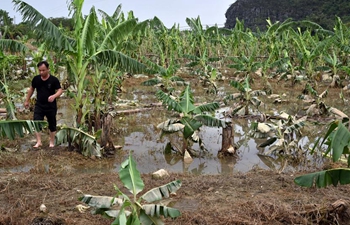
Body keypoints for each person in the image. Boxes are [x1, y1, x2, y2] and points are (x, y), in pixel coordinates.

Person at [24, 60, 63, 148]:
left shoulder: (53, 80)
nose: (41, 72)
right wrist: (27, 100)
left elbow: (60, 90)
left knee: (52, 123)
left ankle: (52, 142)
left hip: (51, 106)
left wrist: (54, 96)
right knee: (37, 122)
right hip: (39, 105)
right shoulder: (36, 79)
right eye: (40, 70)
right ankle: (39, 142)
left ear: (48, 69)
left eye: (43, 70)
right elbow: (31, 89)